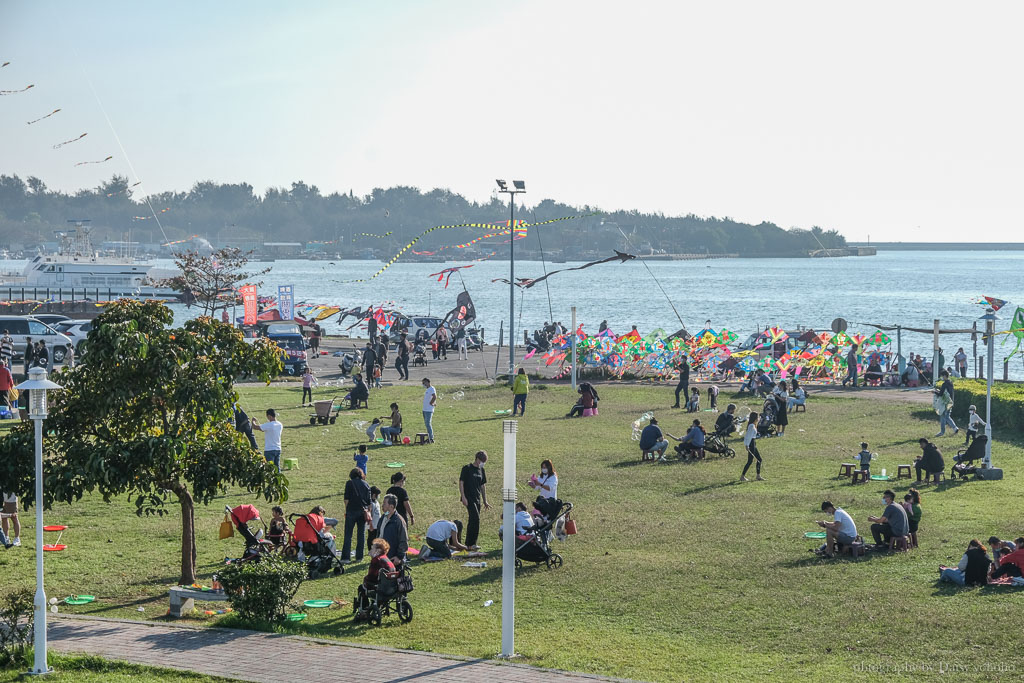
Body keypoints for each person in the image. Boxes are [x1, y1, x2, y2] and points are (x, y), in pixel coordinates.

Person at [355, 538, 396, 619]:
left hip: (380, 589)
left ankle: (364, 610)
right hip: (391, 588)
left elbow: (371, 577)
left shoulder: (376, 560)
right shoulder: (386, 559)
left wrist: (365, 581)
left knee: (362, 588)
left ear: (378, 550)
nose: (371, 549)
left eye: (372, 547)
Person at [459, 451, 489, 550]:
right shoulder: (467, 469)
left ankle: (472, 543)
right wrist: (463, 497)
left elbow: (482, 485)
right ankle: (469, 543)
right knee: (475, 518)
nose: (483, 463)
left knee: (474, 520)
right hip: (469, 498)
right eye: (482, 461)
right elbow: (461, 483)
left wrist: (485, 500)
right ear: (477, 459)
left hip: (477, 498)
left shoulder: (481, 470)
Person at [342, 467, 371, 562]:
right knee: (361, 534)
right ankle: (359, 556)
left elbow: (346, 499)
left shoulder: (349, 483)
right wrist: (368, 512)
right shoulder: (366, 484)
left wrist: (346, 510)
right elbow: (369, 502)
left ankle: (346, 557)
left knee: (348, 535)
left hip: (351, 510)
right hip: (362, 512)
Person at [376, 493, 408, 563]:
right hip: (382, 556)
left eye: (384, 503)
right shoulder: (383, 518)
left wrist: (399, 556)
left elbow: (403, 540)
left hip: (393, 558)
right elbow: (379, 535)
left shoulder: (398, 521)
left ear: (391, 506)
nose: (382, 505)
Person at [934, 370, 959, 437]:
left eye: (942, 376)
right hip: (950, 402)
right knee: (947, 416)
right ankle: (955, 428)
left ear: (945, 376)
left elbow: (941, 394)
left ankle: (942, 432)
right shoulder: (950, 383)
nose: (942, 377)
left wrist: (935, 392)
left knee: (942, 416)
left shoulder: (944, 384)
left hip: (945, 403)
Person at [740, 413, 764, 481]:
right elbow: (748, 436)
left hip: (753, 444)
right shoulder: (751, 426)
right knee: (750, 461)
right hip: (751, 444)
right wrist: (747, 445)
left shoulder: (753, 425)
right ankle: (742, 476)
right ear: (755, 418)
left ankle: (758, 475)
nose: (759, 418)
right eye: (758, 417)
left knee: (759, 459)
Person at [422, 378, 436, 443]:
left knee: (428, 423)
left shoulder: (432, 389)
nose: (423, 384)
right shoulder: (427, 389)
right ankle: (429, 437)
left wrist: (431, 403)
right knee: (426, 424)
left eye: (424, 383)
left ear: (428, 382)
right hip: (425, 409)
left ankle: (431, 438)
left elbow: (434, 396)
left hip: (428, 410)